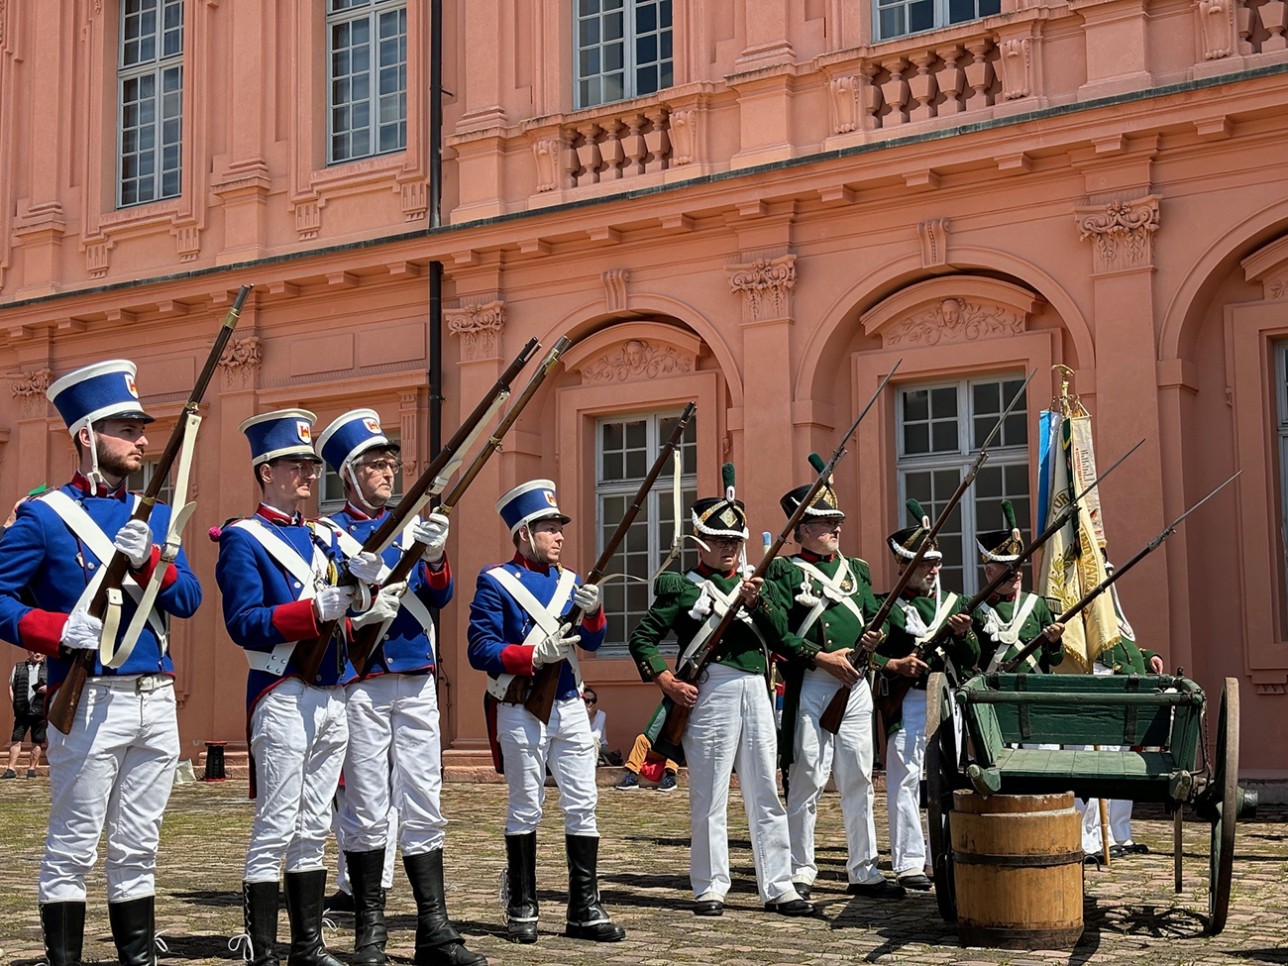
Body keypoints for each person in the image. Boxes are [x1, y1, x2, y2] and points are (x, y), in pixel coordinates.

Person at [0, 360, 202, 966]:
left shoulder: (157, 516)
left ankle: (136, 959)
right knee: (74, 844)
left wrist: (149, 565)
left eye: (141, 428)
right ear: (86, 435)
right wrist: (56, 629)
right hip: (88, 698)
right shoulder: (44, 517)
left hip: (155, 695)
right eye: (126, 428)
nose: (143, 440)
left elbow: (188, 599)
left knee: (139, 845)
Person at [216, 409, 392, 966]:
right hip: (283, 688)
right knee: (276, 821)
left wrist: (361, 594)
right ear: (266, 471)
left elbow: (354, 608)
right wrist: (310, 609)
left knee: (315, 822)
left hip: (334, 689)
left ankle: (307, 946)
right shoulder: (244, 539)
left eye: (311, 465)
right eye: (296, 465)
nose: (309, 474)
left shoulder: (322, 537)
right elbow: (245, 621)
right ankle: (264, 951)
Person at [314, 409, 484, 966]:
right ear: (348, 474)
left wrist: (433, 557)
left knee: (424, 800)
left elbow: (438, 596)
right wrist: (358, 600)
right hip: (361, 680)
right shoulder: (326, 534)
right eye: (374, 464)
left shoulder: (412, 527)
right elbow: (326, 604)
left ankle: (434, 929)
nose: (387, 472)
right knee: (365, 805)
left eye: (390, 462)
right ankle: (371, 933)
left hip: (413, 675)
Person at [628, 463, 815, 919]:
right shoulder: (681, 588)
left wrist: (757, 602)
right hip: (709, 690)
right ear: (700, 541)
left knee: (765, 789)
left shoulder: (758, 586)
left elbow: (780, 636)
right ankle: (710, 885)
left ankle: (778, 884)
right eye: (719, 540)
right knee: (709, 792)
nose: (728, 549)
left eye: (734, 541)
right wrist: (665, 681)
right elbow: (642, 637)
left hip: (757, 688)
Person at [466, 479, 625, 944]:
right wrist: (532, 656)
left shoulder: (573, 582)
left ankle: (584, 906)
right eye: (549, 528)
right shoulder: (496, 581)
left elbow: (593, 643)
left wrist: (594, 613)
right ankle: (522, 902)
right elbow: (481, 649)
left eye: (560, 527)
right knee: (525, 806)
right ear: (524, 533)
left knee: (583, 804)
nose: (559, 536)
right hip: (521, 705)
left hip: (571, 704)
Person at [767, 457, 905, 902]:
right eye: (826, 521)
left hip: (856, 687)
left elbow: (867, 615)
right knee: (806, 774)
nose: (836, 528)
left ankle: (863, 868)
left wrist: (874, 641)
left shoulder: (857, 570)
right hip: (814, 683)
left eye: (837, 521)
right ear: (802, 528)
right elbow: (779, 636)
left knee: (859, 775)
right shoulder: (785, 572)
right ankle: (800, 868)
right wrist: (821, 657)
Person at [872, 500, 979, 891]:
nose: (933, 569)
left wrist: (963, 634)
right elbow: (869, 653)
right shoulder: (885, 606)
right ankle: (909, 862)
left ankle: (946, 854)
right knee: (904, 781)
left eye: (935, 562)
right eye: (924, 563)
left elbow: (972, 658)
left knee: (946, 780)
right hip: (907, 700)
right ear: (903, 566)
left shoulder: (954, 605)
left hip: (944, 700)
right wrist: (896, 665)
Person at [1076, 561, 1162, 860]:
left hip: (1127, 701)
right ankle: (1088, 839)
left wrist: (1147, 656)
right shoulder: (1084, 615)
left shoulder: (1113, 615)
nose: (1109, 581)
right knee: (1094, 768)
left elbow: (1126, 649)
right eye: (1103, 575)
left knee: (1122, 770)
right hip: (1101, 702)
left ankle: (1118, 833)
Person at [971, 501, 1065, 674]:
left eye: (1019, 567)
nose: (1017, 574)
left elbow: (1056, 660)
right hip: (992, 694)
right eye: (1008, 569)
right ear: (989, 572)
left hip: (1033, 692)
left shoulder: (1038, 605)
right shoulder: (974, 607)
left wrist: (1054, 641)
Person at [6, 650, 48, 778]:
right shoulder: (19, 667)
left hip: (40, 711)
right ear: (29, 652)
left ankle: (32, 769)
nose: (37, 653)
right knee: (16, 739)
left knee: (37, 741)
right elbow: (10, 686)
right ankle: (10, 769)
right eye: (34, 651)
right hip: (22, 711)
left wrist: (48, 688)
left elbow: (57, 686)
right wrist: (15, 704)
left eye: (40, 651)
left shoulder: (49, 669)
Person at [612, 732, 679, 791]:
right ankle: (632, 776)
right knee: (641, 738)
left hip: (672, 750)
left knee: (678, 740)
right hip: (658, 744)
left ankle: (670, 777)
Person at [582, 688, 608, 762]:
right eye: (587, 701)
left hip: (599, 747)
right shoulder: (576, 716)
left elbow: (597, 735)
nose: (590, 703)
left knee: (593, 741)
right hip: (582, 746)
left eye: (593, 701)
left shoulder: (601, 715)